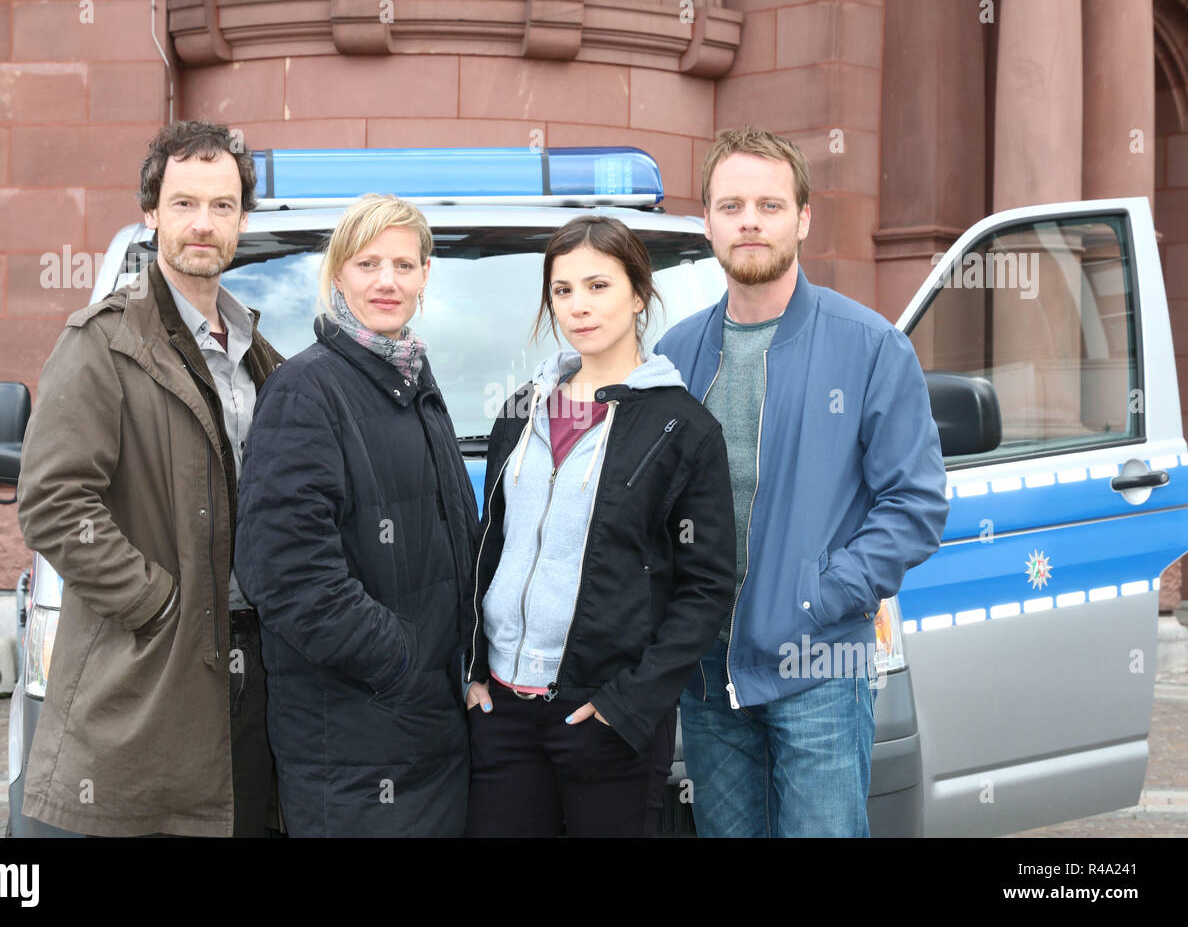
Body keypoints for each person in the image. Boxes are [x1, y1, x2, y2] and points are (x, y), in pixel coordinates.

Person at [654, 127, 949, 837]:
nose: (749, 221)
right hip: (706, 676)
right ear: (708, 223)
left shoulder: (870, 346)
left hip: (817, 667)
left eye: (768, 205)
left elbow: (916, 503)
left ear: (803, 218)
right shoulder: (673, 352)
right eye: (730, 206)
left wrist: (825, 595)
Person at [16, 120, 285, 837]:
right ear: (151, 214)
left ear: (242, 221)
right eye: (184, 203)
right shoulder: (101, 342)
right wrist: (156, 603)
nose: (204, 224)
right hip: (148, 679)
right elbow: (52, 500)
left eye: (222, 206)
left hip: (258, 677)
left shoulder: (265, 358)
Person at [464, 215, 736, 837]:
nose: (578, 307)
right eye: (562, 291)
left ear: (639, 294)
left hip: (601, 718)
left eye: (598, 286)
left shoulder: (683, 428)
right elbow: (492, 543)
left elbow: (708, 585)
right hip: (501, 709)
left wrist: (628, 704)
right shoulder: (521, 411)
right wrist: (473, 668)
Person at [234, 193, 479, 837]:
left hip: (427, 726)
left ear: (426, 275)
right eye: (368, 264)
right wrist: (403, 661)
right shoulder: (307, 389)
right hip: (354, 740)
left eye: (403, 264)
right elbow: (285, 573)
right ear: (338, 273)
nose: (387, 281)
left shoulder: (412, 381)